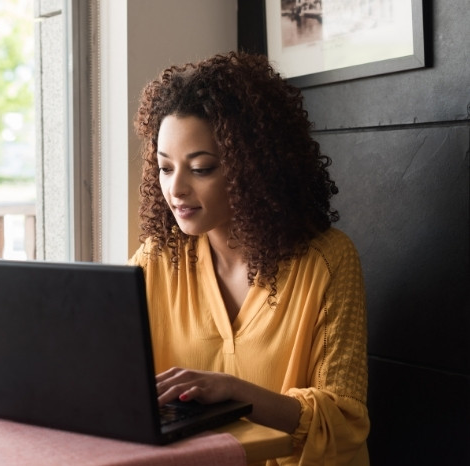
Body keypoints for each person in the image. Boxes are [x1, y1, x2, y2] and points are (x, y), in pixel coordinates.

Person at [129, 51, 369, 465]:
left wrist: (235, 392)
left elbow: (343, 420)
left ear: (253, 167)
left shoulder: (326, 260)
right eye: (166, 169)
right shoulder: (157, 260)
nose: (177, 189)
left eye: (201, 168)